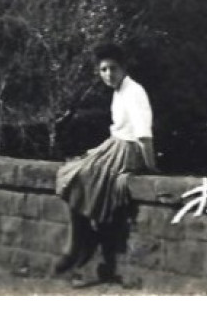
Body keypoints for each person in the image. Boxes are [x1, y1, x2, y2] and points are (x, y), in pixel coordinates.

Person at [53, 42, 156, 285]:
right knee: (70, 172)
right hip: (114, 145)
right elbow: (118, 130)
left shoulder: (134, 92)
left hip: (129, 151)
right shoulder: (118, 92)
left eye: (113, 68)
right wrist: (97, 151)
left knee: (87, 178)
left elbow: (143, 134)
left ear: (123, 68)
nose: (109, 74)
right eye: (103, 70)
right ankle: (80, 238)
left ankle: (81, 247)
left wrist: (149, 167)